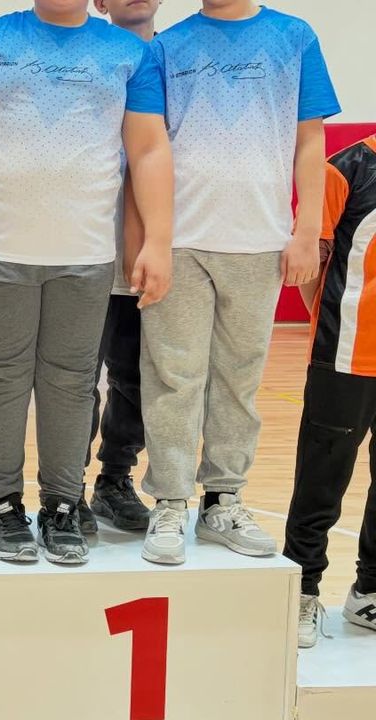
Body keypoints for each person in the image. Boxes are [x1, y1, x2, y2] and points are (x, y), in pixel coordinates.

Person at [0, 0, 173, 565]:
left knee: (72, 383)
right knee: (1, 377)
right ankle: (1, 506)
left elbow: (148, 148)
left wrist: (158, 240)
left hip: (86, 253)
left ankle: (62, 505)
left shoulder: (128, 54)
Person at [139, 0, 340, 565]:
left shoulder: (294, 37)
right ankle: (170, 501)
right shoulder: (167, 45)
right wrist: (153, 238)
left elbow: (310, 140)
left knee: (239, 378)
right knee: (173, 376)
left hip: (260, 242)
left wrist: (306, 230)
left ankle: (222, 499)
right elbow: (149, 147)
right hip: (180, 241)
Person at [76, 0, 167, 535]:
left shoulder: (176, 61)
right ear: (99, 2)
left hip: (155, 253)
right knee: (76, 381)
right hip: (85, 248)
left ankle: (114, 479)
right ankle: (66, 488)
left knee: (137, 379)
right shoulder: (82, 56)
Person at [285, 132, 376, 648]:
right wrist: (330, 321)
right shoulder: (346, 169)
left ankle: (369, 592)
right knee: (322, 482)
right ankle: (301, 590)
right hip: (346, 352)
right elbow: (309, 263)